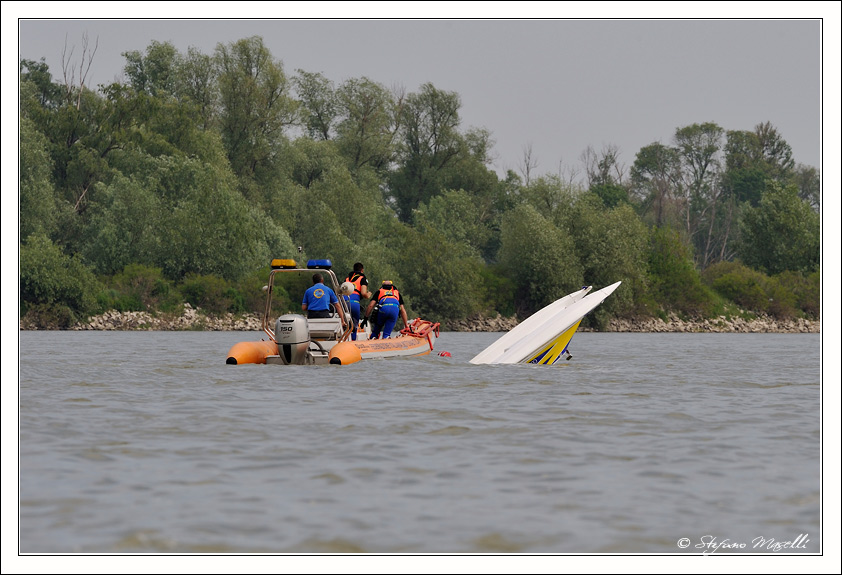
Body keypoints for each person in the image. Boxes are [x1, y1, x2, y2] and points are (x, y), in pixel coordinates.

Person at [343, 262, 370, 341]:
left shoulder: (347, 279)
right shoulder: (363, 278)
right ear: (362, 270)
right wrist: (368, 294)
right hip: (354, 303)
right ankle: (353, 342)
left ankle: (343, 342)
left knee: (345, 325)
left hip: (344, 302)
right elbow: (363, 293)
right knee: (354, 326)